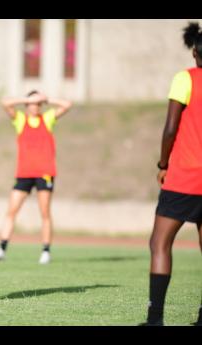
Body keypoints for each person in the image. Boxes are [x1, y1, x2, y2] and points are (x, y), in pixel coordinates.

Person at [140, 22, 202, 326]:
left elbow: (170, 128)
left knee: (160, 244)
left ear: (194, 51)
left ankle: (155, 319)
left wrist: (163, 164)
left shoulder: (186, 79)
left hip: (185, 177)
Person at [0, 90, 72, 264]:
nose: (36, 106)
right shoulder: (20, 120)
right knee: (12, 211)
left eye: (38, 103)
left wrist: (46, 99)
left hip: (44, 173)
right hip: (24, 173)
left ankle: (46, 251)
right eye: (33, 103)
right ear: (27, 105)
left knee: (45, 212)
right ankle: (1, 249)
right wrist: (27, 98)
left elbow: (67, 105)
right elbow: (5, 102)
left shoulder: (47, 119)